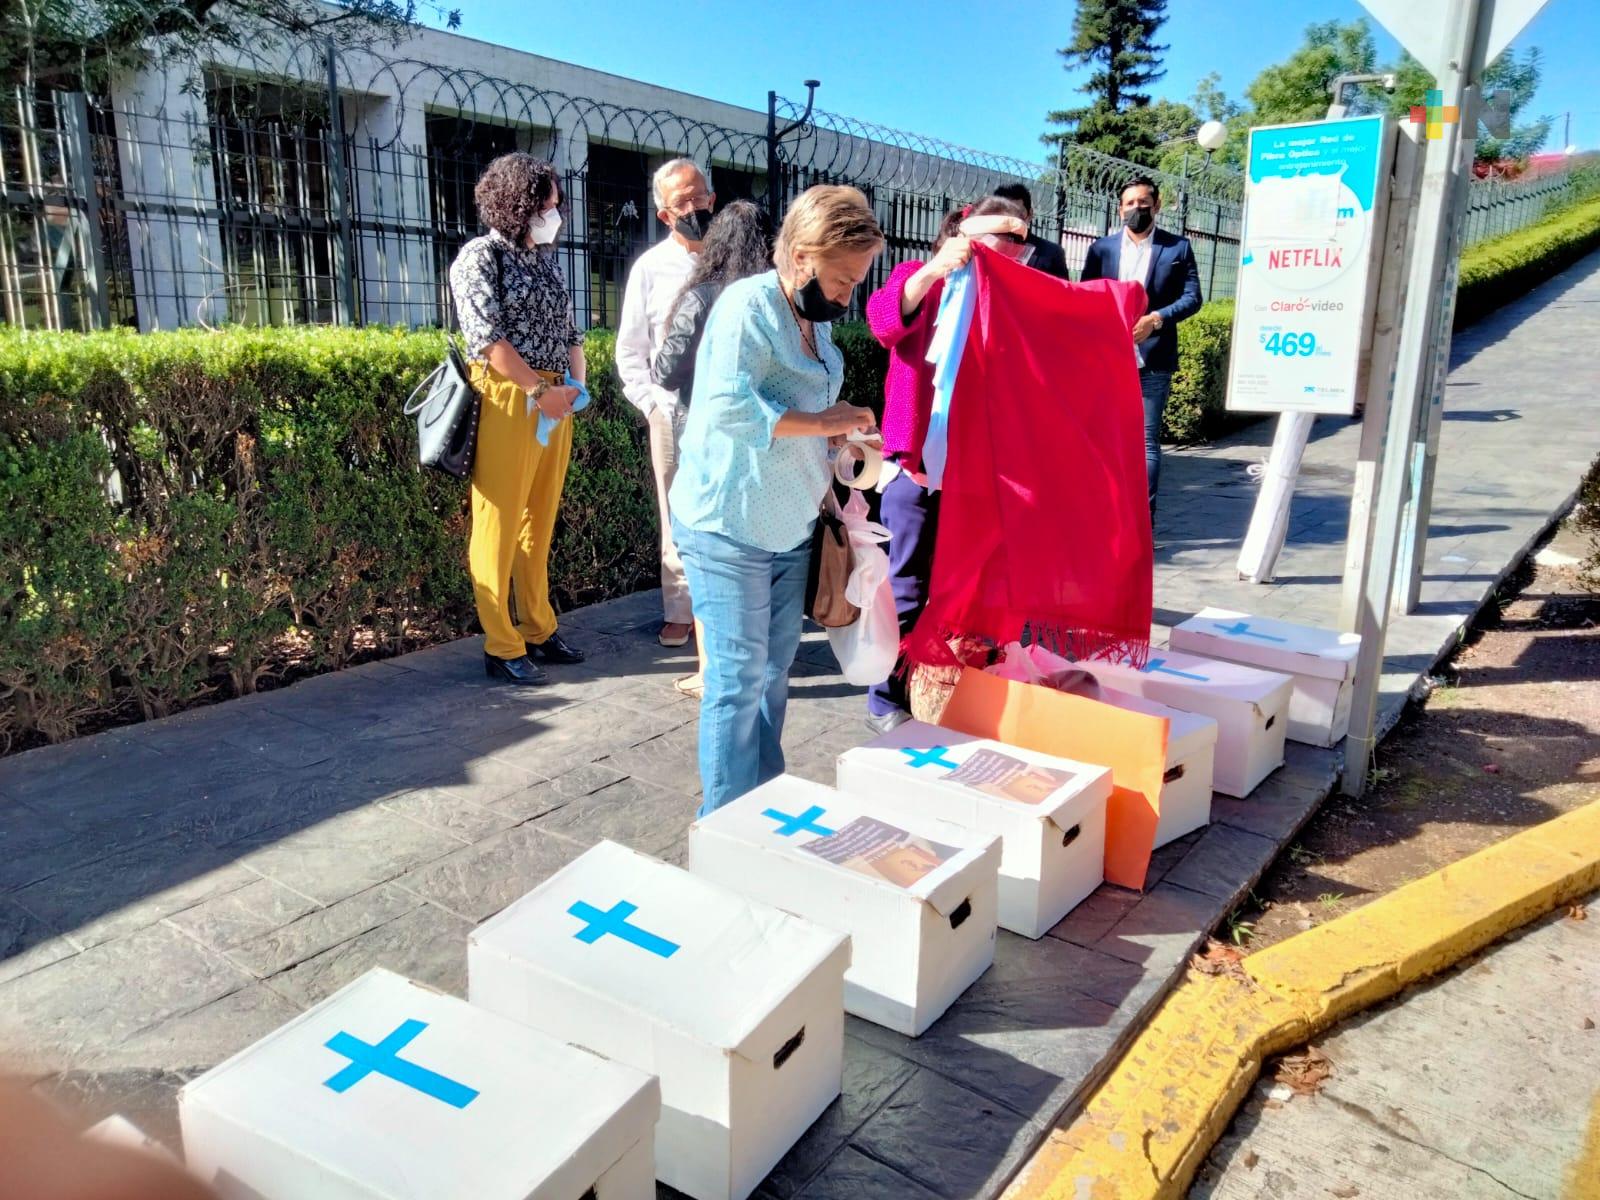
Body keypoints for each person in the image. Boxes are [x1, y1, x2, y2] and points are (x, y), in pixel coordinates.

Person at [669, 184, 882, 814]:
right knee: (734, 682)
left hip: (790, 523)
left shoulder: (811, 320)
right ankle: (726, 827)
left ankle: (762, 803)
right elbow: (730, 406)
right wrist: (825, 420)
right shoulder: (748, 304)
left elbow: (801, 415)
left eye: (855, 282)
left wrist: (840, 437)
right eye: (842, 279)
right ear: (801, 255)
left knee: (771, 675)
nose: (847, 295)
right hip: (726, 521)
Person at [862, 196, 1029, 733]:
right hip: (914, 468)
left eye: (1015, 251)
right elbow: (884, 321)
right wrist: (936, 270)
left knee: (971, 592)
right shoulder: (924, 276)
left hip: (980, 471)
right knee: (905, 586)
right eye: (994, 248)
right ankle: (886, 698)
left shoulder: (1010, 300)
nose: (1005, 260)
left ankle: (951, 691)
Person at [449, 151, 588, 686]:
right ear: (516, 203)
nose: (553, 213)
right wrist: (537, 389)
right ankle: (501, 642)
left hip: (556, 398)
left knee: (540, 520)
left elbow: (571, 331)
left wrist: (575, 385)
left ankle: (537, 626)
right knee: (500, 521)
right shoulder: (480, 257)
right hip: (512, 397)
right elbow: (485, 339)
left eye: (554, 204)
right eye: (544, 204)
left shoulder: (544, 260)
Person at [650, 199, 774, 699]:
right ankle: (757, 666)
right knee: (757, 554)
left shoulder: (701, 296)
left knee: (708, 558)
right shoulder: (777, 299)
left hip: (701, 437)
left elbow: (664, 370)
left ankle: (710, 670)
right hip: (765, 441)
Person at [615, 157, 716, 649]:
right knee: (676, 511)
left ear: (713, 199)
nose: (695, 206)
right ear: (664, 214)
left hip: (730, 410)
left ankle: (723, 612)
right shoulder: (650, 269)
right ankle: (680, 609)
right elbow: (630, 349)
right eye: (683, 201)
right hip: (672, 411)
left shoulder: (739, 260)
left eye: (700, 196)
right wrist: (651, 404)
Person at [1079, 176, 1203, 515]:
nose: (1137, 208)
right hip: (1107, 359)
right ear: (1120, 210)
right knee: (1104, 440)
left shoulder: (1177, 248)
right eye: (1130, 203)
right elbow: (1085, 297)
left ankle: (1142, 521)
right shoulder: (1101, 249)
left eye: (1143, 202)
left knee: (1146, 444)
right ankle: (1105, 514)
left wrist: (1156, 318)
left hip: (1153, 358)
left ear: (1157, 205)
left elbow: (1193, 298)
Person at [992, 182, 1071, 280]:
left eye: (1018, 215)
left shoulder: (1051, 253)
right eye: (1005, 215)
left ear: (1030, 214)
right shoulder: (984, 246)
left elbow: (1062, 293)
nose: (1013, 221)